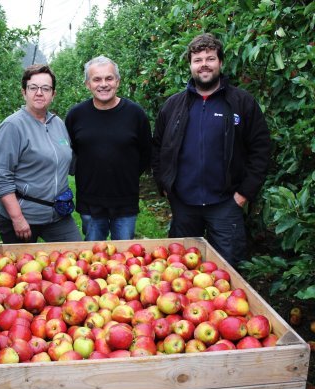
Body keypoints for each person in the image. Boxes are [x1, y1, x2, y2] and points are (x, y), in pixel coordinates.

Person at [152, 33, 271, 266]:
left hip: (225, 203)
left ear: (221, 62)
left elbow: (261, 149)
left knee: (227, 270)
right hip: (184, 203)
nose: (204, 64)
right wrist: (165, 185)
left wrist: (244, 193)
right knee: (180, 269)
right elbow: (157, 148)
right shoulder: (173, 105)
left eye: (210, 58)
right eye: (197, 60)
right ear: (190, 65)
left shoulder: (241, 102)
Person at [0, 64, 82, 243]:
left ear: (53, 95)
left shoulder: (58, 124)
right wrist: (17, 218)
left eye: (46, 88)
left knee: (76, 256)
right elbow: (1, 176)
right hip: (21, 215)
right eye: (33, 87)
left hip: (57, 215)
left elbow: (69, 163)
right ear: (24, 92)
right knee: (22, 269)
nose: (39, 93)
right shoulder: (12, 126)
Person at [65, 55, 152, 241]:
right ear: (88, 84)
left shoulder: (135, 114)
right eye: (97, 79)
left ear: (118, 82)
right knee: (93, 261)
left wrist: (125, 173)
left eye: (109, 78)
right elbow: (71, 152)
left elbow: (146, 153)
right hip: (90, 202)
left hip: (125, 200)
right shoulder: (76, 115)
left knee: (125, 261)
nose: (103, 84)